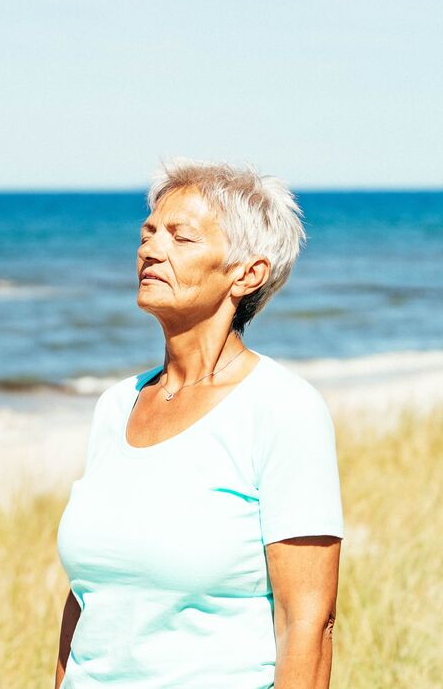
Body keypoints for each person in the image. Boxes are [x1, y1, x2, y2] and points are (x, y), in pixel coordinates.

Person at [55, 159, 344, 688]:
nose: (150, 249)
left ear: (247, 273)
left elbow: (308, 621)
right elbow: (86, 601)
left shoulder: (283, 410)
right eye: (148, 233)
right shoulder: (116, 406)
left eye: (180, 237)